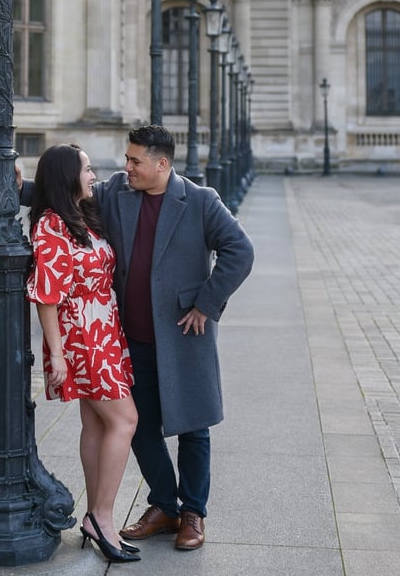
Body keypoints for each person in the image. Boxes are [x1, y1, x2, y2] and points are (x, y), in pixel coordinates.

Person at [21, 126, 254, 552]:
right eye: (126, 160)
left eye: (134, 161)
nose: (125, 168)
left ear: (161, 164)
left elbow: (240, 250)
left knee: (193, 427)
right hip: (127, 336)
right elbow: (63, 189)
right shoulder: (117, 194)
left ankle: (193, 514)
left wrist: (206, 303)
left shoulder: (201, 201)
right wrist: (18, 185)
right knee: (139, 425)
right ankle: (164, 505)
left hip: (184, 333)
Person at [26, 144, 140, 564]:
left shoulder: (80, 217)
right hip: (82, 337)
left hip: (104, 331)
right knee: (126, 420)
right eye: (87, 169)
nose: (94, 175)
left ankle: (96, 514)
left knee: (96, 424)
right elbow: (46, 297)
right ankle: (103, 518)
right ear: (66, 177)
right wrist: (57, 355)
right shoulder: (52, 225)